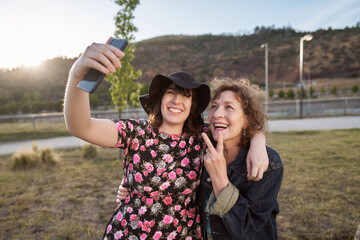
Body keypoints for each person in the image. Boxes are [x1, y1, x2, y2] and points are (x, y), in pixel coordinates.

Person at [64, 41, 269, 239]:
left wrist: (258, 141)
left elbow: (238, 126)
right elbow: (81, 127)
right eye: (170, 93)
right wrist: (76, 74)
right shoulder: (136, 132)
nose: (176, 100)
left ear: (192, 106)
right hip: (129, 233)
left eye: (185, 95)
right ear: (160, 99)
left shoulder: (201, 137)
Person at [199, 77, 283, 239]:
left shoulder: (268, 164)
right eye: (214, 107)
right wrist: (258, 137)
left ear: (246, 120)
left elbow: (250, 230)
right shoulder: (203, 146)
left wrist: (220, 180)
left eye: (228, 107)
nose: (217, 114)